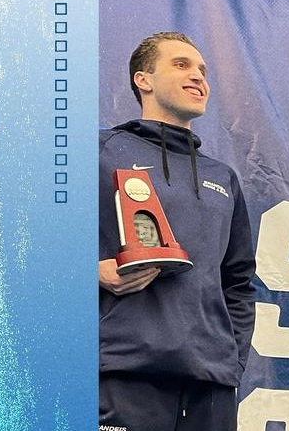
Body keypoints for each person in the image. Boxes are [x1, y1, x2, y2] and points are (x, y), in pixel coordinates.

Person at [98, 31, 257, 431]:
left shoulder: (223, 177)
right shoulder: (97, 152)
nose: (198, 77)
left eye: (203, 70)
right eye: (181, 65)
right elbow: (20, 245)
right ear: (143, 79)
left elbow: (237, 281)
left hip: (211, 387)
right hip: (121, 374)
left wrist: (231, 361)